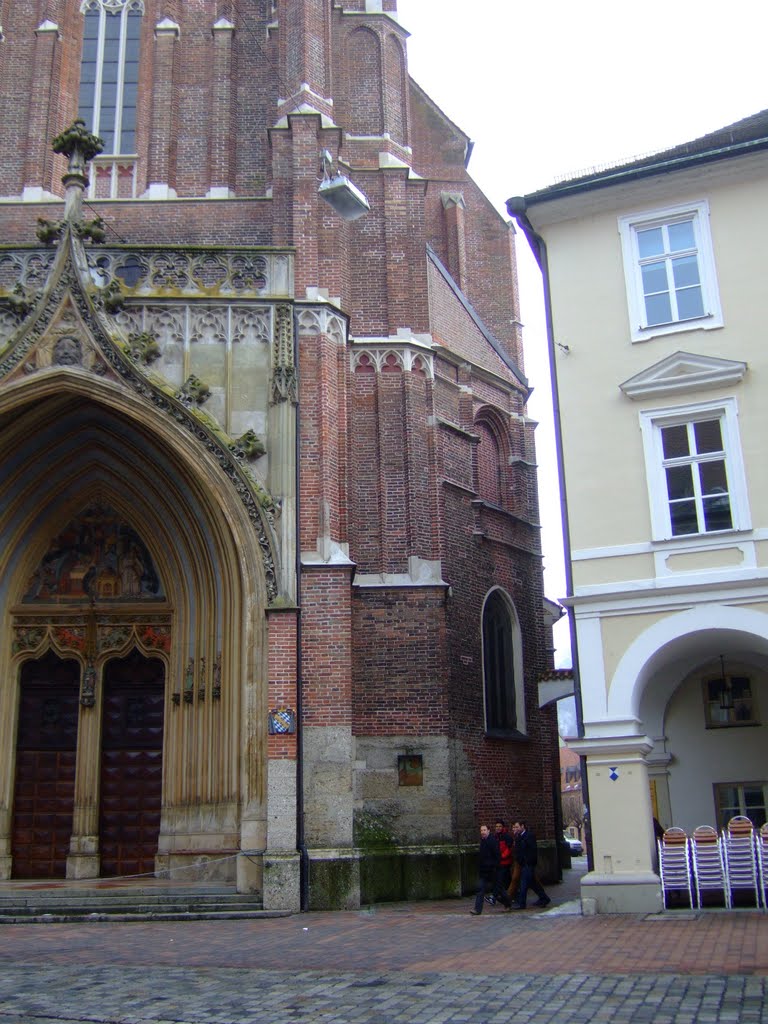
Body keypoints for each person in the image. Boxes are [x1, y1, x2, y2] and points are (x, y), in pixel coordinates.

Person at [510, 820, 551, 909]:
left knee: (523, 883)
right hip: (523, 863)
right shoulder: (518, 837)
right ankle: (544, 898)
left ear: (522, 826)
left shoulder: (529, 836)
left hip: (528, 863)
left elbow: (532, 850)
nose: (515, 829)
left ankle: (522, 903)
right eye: (514, 827)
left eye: (517, 827)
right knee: (533, 883)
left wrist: (528, 861)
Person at [470, 824, 510, 914]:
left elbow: (497, 856)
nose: (482, 832)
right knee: (480, 889)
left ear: (488, 831)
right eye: (481, 830)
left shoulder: (493, 841)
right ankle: (477, 909)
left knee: (499, 889)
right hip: (484, 871)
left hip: (493, 870)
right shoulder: (483, 841)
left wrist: (495, 867)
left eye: (484, 830)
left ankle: (507, 903)